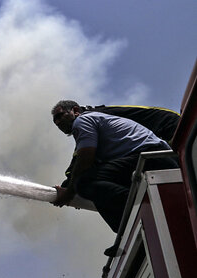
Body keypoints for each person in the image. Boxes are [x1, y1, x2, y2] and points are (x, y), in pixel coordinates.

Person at [51, 100, 178, 252]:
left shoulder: (83, 121)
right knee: (93, 189)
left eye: (59, 116)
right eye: (55, 120)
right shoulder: (91, 125)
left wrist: (69, 193)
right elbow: (81, 165)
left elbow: (85, 160)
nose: (57, 122)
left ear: (76, 110)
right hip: (146, 160)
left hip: (152, 158)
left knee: (84, 182)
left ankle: (142, 209)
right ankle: (127, 234)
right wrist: (69, 189)